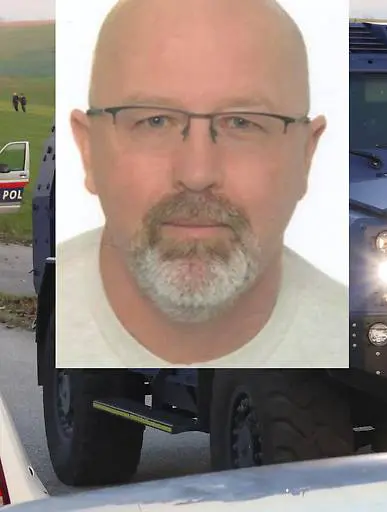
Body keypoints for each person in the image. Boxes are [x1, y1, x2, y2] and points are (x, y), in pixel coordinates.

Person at [58, 0, 347, 368]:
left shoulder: (347, 336)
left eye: (242, 123)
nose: (197, 173)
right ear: (87, 150)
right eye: (155, 121)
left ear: (306, 156)